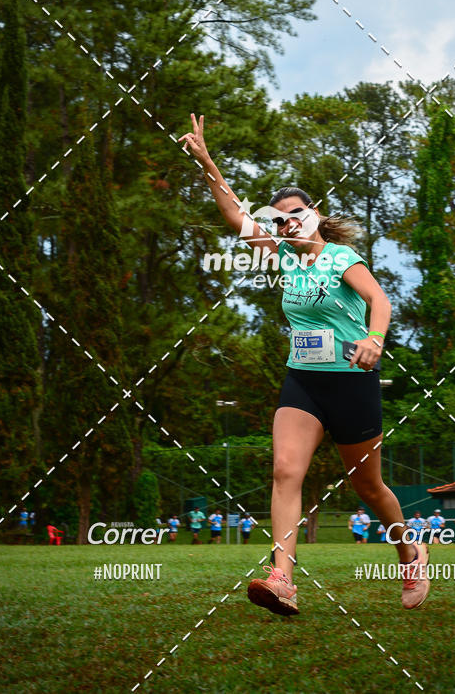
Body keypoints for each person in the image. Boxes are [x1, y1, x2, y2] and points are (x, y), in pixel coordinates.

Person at [180, 114, 430, 614]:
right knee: (284, 470)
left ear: (313, 213)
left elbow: (380, 301)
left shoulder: (340, 257)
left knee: (369, 487)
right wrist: (207, 163)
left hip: (352, 383)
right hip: (304, 383)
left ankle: (410, 552)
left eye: (294, 214)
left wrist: (376, 340)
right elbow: (235, 217)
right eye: (279, 219)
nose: (286, 224)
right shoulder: (284, 258)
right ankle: (282, 580)